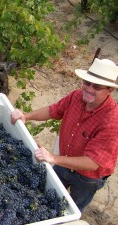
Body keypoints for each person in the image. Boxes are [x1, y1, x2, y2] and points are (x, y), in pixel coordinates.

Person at [10, 58, 118, 212]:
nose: (88, 88)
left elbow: (93, 162)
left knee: (71, 207)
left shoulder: (112, 120)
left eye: (97, 86)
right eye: (87, 82)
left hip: (87, 178)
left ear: (109, 90)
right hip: (63, 163)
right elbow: (53, 110)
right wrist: (26, 116)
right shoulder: (76, 96)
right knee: (46, 194)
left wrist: (53, 158)